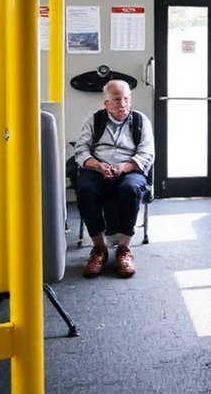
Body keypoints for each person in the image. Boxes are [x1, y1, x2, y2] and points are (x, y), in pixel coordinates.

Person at [74, 79, 155, 279]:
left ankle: (124, 250)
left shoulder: (140, 121)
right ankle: (99, 249)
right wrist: (98, 165)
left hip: (129, 169)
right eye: (117, 99)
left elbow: (147, 154)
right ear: (106, 103)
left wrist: (123, 167)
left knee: (129, 189)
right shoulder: (93, 120)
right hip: (98, 170)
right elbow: (80, 150)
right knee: (85, 189)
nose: (123, 104)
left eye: (126, 98)